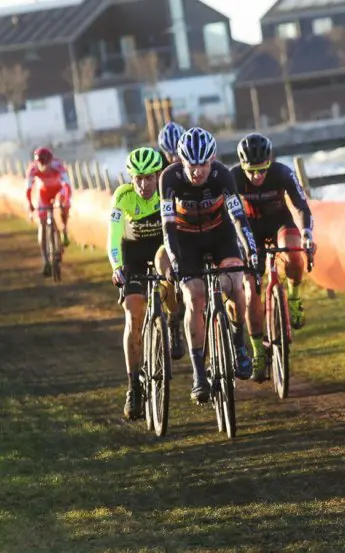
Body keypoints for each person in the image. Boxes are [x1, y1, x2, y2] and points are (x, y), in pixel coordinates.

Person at [160, 127, 258, 403]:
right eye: (192, 165)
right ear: (181, 160)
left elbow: (238, 217)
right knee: (195, 296)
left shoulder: (223, 175)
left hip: (220, 235)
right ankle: (199, 374)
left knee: (236, 284)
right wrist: (176, 260)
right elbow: (167, 226)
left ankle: (239, 344)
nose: (197, 171)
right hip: (185, 239)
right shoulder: (169, 177)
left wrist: (250, 248)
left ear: (212, 159)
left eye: (203, 164)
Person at [230, 133, 315, 382]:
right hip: (248, 230)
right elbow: (229, 216)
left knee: (294, 253)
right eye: (252, 172)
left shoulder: (282, 172)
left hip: (280, 223)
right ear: (243, 166)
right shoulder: (233, 178)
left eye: (262, 171)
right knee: (250, 292)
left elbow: (301, 206)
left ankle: (295, 297)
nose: (257, 177)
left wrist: (308, 234)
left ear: (270, 163)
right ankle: (257, 353)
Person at [108, 147, 183, 420]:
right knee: (133, 313)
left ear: (157, 175)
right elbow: (113, 237)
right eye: (138, 178)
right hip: (133, 254)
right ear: (131, 177)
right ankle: (133, 387)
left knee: (171, 274)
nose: (143, 184)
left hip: (160, 249)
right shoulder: (123, 196)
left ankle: (174, 321)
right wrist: (117, 267)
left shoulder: (166, 192)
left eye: (149, 178)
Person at [26, 147, 72, 276]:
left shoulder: (58, 166)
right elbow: (28, 189)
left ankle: (64, 230)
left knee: (63, 207)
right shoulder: (32, 169)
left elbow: (67, 186)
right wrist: (30, 204)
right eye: (40, 163)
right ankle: (45, 260)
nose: (43, 166)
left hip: (58, 191)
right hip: (43, 194)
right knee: (42, 224)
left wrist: (66, 203)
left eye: (46, 163)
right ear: (37, 162)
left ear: (51, 161)